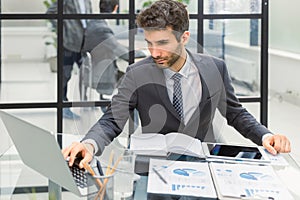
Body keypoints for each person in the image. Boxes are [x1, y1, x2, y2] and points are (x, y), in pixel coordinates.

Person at [62, 0, 291, 168]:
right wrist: (89, 144)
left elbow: (235, 113)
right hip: (152, 167)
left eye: (162, 43)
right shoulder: (136, 73)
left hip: (202, 164)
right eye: (149, 43)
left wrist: (265, 136)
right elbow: (113, 119)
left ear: (184, 37)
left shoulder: (215, 68)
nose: (154, 52)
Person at [81, 0, 145, 105]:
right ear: (115, 8)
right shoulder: (102, 29)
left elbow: (115, 45)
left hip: (96, 68)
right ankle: (135, 116)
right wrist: (145, 53)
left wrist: (133, 49)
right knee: (139, 83)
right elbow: (123, 54)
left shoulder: (95, 23)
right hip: (103, 74)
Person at [47, 0, 92, 119]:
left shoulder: (87, 1)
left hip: (83, 42)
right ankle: (64, 106)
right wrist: (63, 30)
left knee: (85, 72)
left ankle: (84, 100)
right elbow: (50, 12)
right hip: (68, 43)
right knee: (65, 75)